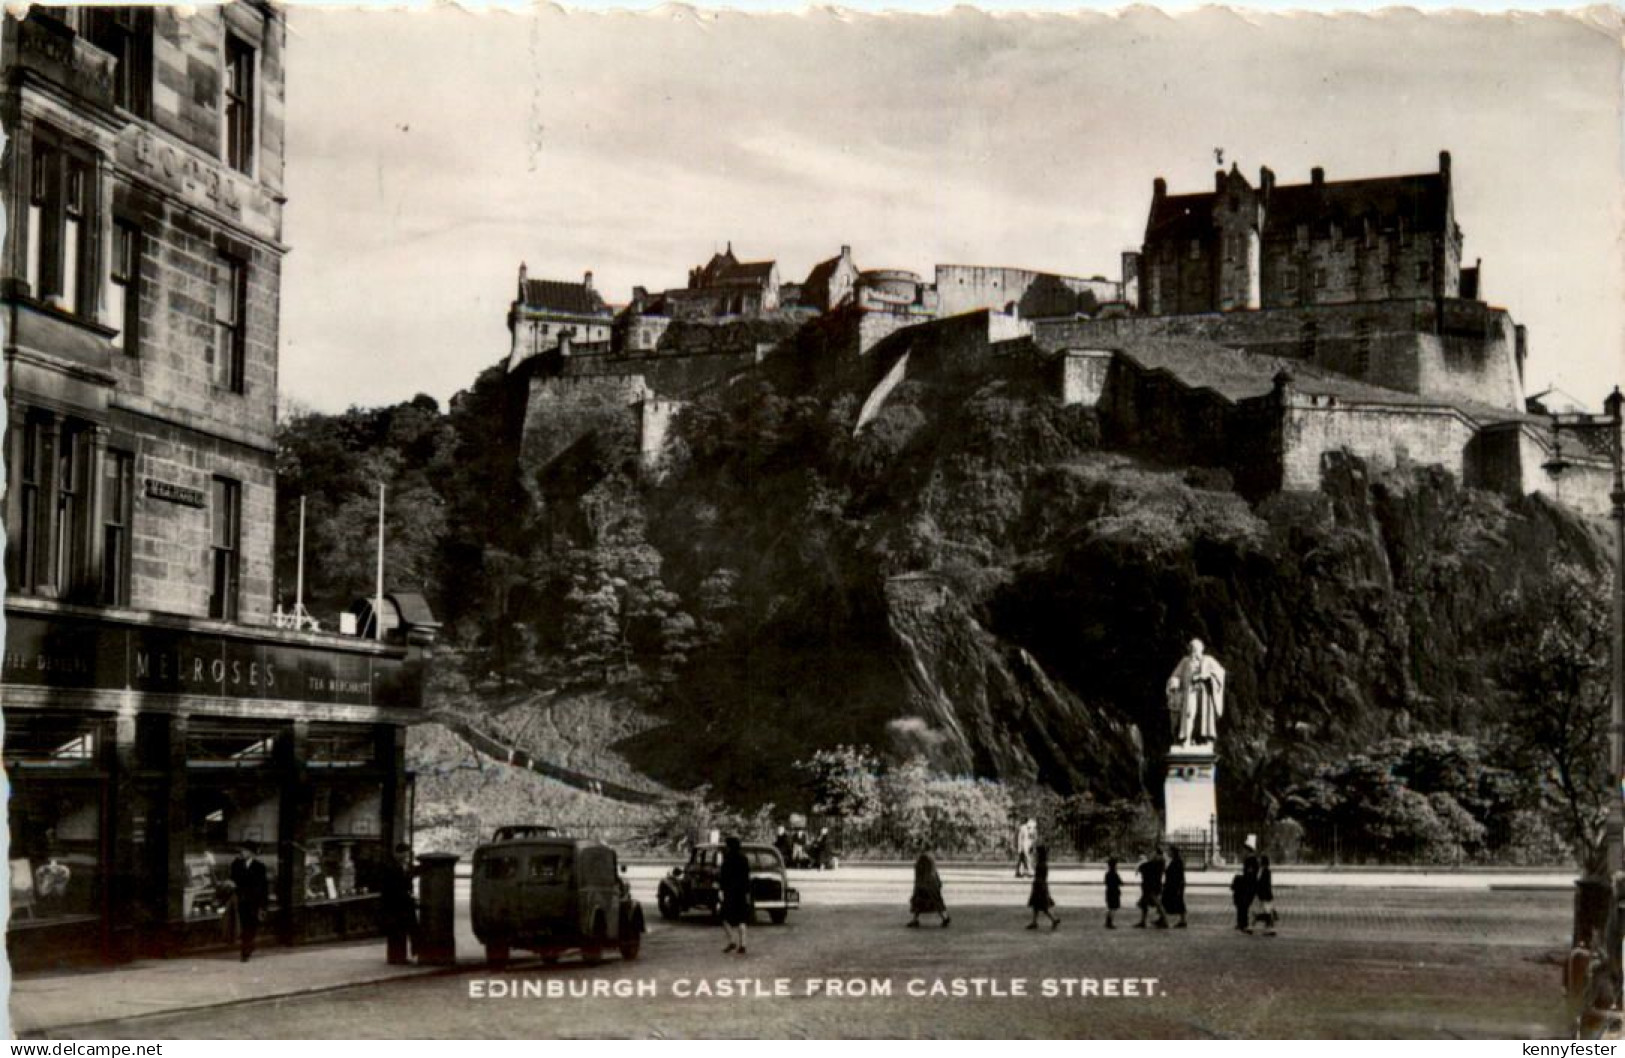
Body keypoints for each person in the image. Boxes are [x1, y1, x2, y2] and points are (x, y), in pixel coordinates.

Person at [1166, 638, 1226, 748]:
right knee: (1189, 713)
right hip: (1190, 692)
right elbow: (1176, 675)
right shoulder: (1185, 661)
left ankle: (1203, 739)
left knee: (1204, 715)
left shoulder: (1208, 660)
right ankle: (1186, 738)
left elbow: (1220, 672)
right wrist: (1175, 681)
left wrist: (1207, 675)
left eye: (1197, 648)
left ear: (1202, 649)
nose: (1195, 651)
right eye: (1192, 648)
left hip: (1204, 694)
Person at [379, 842, 418, 965]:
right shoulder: (389, 866)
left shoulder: (406, 865)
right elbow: (390, 886)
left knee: (405, 930)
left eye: (407, 853)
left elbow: (413, 873)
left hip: (405, 903)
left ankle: (403, 955)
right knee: (396, 931)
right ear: (397, 854)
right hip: (394, 903)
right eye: (404, 853)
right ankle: (395, 957)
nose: (406, 856)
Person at [230, 843, 270, 962]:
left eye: (245, 851)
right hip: (240, 900)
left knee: (251, 926)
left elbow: (263, 887)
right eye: (241, 850)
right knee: (243, 926)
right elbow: (233, 879)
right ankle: (246, 949)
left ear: (251, 853)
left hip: (254, 902)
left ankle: (247, 948)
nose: (242, 853)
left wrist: (263, 905)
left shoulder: (259, 867)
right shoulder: (236, 864)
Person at [719, 835, 752, 955]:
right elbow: (747, 877)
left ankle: (732, 940)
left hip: (730, 892)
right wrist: (747, 892)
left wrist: (721, 890)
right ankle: (743, 944)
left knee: (724, 917)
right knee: (741, 919)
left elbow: (723, 877)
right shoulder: (744, 859)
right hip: (742, 892)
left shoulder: (727, 859)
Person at [907, 852, 950, 928]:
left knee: (922, 901)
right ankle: (944, 917)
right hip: (931, 882)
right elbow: (933, 871)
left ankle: (944, 918)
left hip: (925, 884)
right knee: (931, 901)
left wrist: (920, 884)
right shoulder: (930, 856)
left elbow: (923, 872)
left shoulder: (924, 857)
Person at [1025, 845, 1060, 931]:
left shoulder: (1040, 864)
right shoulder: (1043, 863)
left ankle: (1053, 919)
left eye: (1037, 852)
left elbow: (1037, 874)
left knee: (1042, 906)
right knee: (1036, 906)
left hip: (1039, 886)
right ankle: (1034, 922)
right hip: (1042, 885)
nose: (1035, 854)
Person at [1135, 847, 1168, 929]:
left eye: (1153, 853)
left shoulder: (1158, 862)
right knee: (1145, 903)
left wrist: (1142, 862)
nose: (1151, 854)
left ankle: (1164, 920)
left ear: (1157, 854)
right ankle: (1143, 921)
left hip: (1152, 885)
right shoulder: (1157, 862)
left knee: (1157, 903)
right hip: (1150, 885)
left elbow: (1145, 868)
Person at [1232, 837, 1259, 933]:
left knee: (1244, 904)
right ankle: (1242, 923)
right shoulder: (1249, 859)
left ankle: (1244, 923)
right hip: (1248, 885)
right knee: (1242, 904)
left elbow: (1250, 874)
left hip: (1249, 886)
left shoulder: (1251, 860)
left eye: (1244, 850)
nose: (1243, 852)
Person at [1164, 845, 1188, 928]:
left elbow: (1179, 875)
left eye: (1169, 851)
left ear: (1173, 852)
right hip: (1172, 884)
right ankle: (1162, 917)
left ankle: (1183, 920)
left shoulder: (1177, 861)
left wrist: (1178, 886)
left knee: (1179, 901)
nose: (1167, 852)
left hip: (1176, 884)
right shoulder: (1174, 860)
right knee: (1166, 900)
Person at [1252, 854, 1277, 936]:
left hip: (1264, 895)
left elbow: (1265, 884)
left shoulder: (1266, 871)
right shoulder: (1261, 870)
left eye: (1260, 860)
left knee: (1267, 912)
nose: (1258, 861)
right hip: (1262, 894)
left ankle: (1254, 926)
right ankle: (1267, 928)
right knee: (1266, 911)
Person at [1104, 857, 1123, 929]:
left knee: (1109, 907)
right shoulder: (1115, 874)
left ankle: (1107, 921)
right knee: (1114, 908)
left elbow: (1105, 882)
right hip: (1115, 892)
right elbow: (1121, 883)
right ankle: (1110, 922)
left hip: (1108, 892)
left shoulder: (1107, 874)